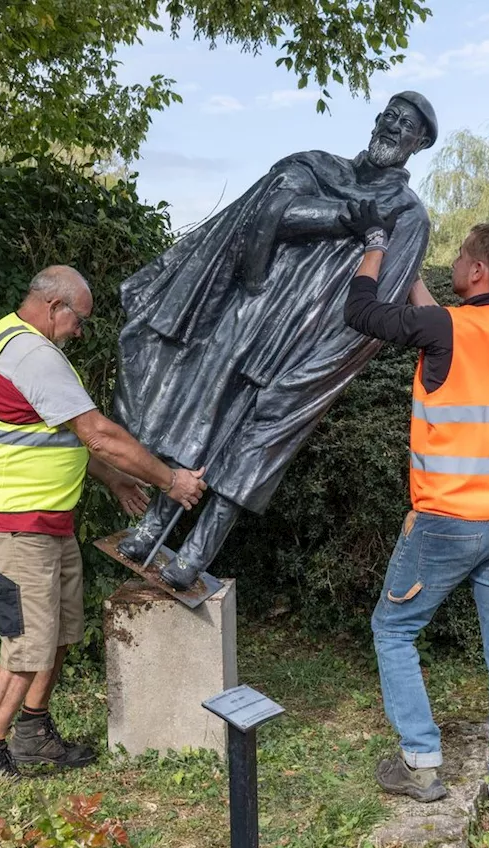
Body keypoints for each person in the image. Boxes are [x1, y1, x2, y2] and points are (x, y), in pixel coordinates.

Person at [115, 92, 438, 590]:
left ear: (420, 143)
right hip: (250, 318)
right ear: (376, 119)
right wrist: (341, 217)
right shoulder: (317, 166)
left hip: (308, 346)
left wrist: (322, 368)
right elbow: (266, 214)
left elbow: (384, 304)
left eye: (407, 125)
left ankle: (195, 556)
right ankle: (154, 525)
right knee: (199, 424)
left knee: (254, 450)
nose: (394, 128)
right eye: (390, 117)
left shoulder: (408, 215)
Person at [342, 217, 489, 834]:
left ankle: (420, 763)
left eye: (461, 257)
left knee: (393, 630)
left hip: (448, 523)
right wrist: (416, 284)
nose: (455, 265)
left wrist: (378, 250)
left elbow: (361, 311)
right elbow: (451, 332)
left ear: (478, 270)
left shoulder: (446, 329)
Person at [0, 265, 207, 776]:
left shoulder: (14, 338)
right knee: (27, 642)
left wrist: (111, 479)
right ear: (55, 307)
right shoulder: (32, 354)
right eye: (79, 320)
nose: (80, 332)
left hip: (44, 519)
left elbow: (60, 432)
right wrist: (169, 481)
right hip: (11, 520)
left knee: (62, 630)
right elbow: (97, 433)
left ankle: (34, 732)